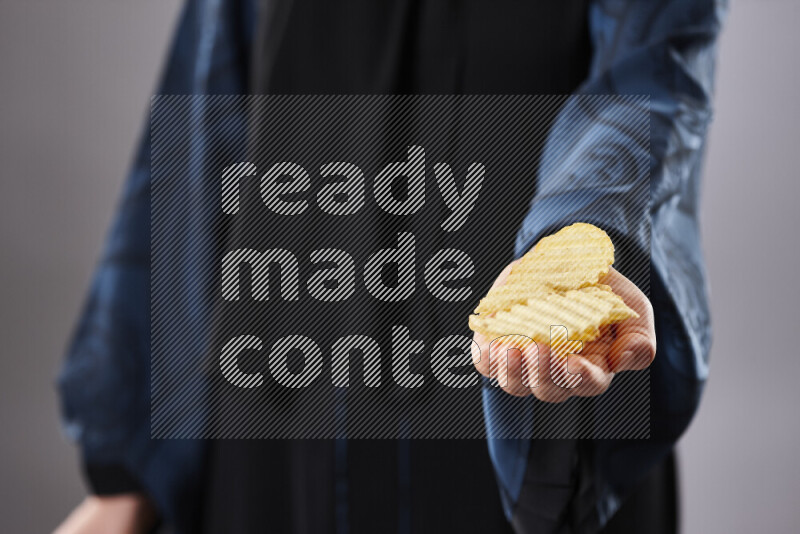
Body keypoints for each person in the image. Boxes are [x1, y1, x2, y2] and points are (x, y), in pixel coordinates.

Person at [56, 0, 726, 532]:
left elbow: (648, 87)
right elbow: (207, 123)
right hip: (280, 418)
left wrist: (577, 239)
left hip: (514, 395)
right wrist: (133, 468)